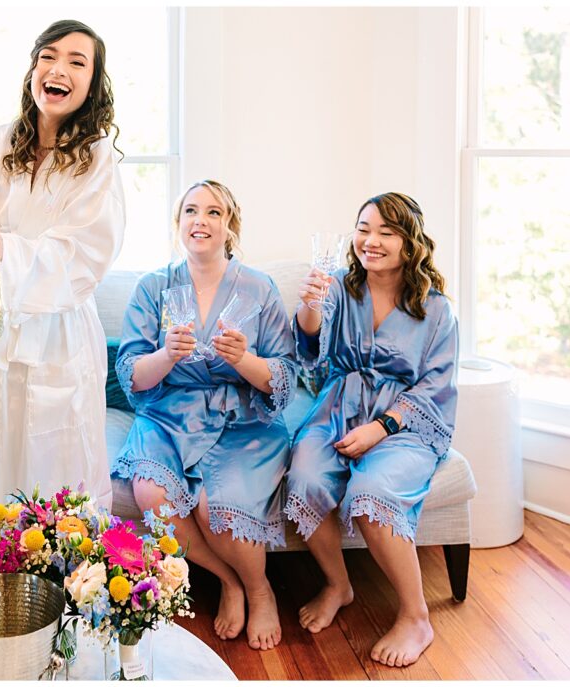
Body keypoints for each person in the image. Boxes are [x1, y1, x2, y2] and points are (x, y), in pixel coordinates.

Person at [0, 19, 125, 505]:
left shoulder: (97, 158)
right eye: (48, 56)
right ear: (33, 69)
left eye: (77, 62)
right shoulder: (1, 141)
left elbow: (85, 251)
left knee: (53, 467)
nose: (58, 69)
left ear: (93, 83)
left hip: (56, 334)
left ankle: (54, 577)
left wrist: (6, 249)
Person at [114, 180, 298, 649]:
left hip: (241, 415)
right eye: (191, 211)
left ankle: (261, 591)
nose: (201, 220)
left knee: (219, 507)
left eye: (214, 212)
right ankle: (231, 582)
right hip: (169, 415)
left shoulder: (259, 288)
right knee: (151, 492)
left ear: (229, 225)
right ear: (178, 223)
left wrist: (244, 361)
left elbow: (285, 374)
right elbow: (131, 374)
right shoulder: (153, 287)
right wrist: (165, 356)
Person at [285, 192, 457, 668]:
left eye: (387, 231)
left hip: (404, 423)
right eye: (364, 228)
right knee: (305, 478)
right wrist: (310, 307)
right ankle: (338, 584)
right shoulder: (341, 287)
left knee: (372, 488)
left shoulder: (437, 310)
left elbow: (433, 389)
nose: (371, 240)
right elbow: (310, 350)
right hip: (338, 409)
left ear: (411, 241)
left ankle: (416, 616)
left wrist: (380, 429)